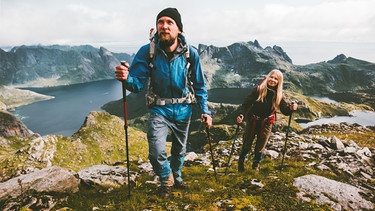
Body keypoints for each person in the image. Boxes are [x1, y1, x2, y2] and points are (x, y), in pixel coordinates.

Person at [114, 7, 212, 198]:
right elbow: (137, 84)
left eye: (169, 22)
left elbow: (199, 86)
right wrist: (126, 78)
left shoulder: (190, 54)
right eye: (161, 22)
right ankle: (166, 179)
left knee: (179, 150)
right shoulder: (147, 51)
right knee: (156, 150)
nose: (164, 26)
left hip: (184, 110)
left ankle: (177, 174)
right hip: (159, 110)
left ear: (179, 30)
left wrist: (205, 111)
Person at [236, 69, 297, 172]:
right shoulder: (258, 90)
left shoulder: (279, 95)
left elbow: (285, 111)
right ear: (268, 77)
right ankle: (241, 163)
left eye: (276, 79)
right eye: (271, 77)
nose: (272, 80)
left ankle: (255, 165)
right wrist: (241, 114)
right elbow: (246, 104)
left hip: (267, 123)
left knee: (260, 146)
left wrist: (292, 108)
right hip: (253, 120)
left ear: (279, 81)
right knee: (247, 143)